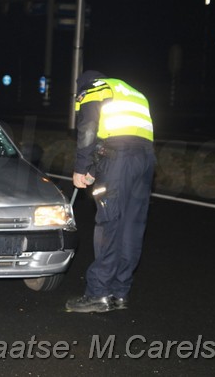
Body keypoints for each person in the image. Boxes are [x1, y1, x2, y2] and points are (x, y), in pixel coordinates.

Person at [65, 70, 156, 313]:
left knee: (109, 223)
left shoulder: (94, 89)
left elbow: (88, 129)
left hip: (118, 159)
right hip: (145, 160)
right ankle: (119, 293)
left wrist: (80, 168)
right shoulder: (133, 92)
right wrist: (95, 168)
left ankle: (98, 294)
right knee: (132, 226)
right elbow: (121, 136)